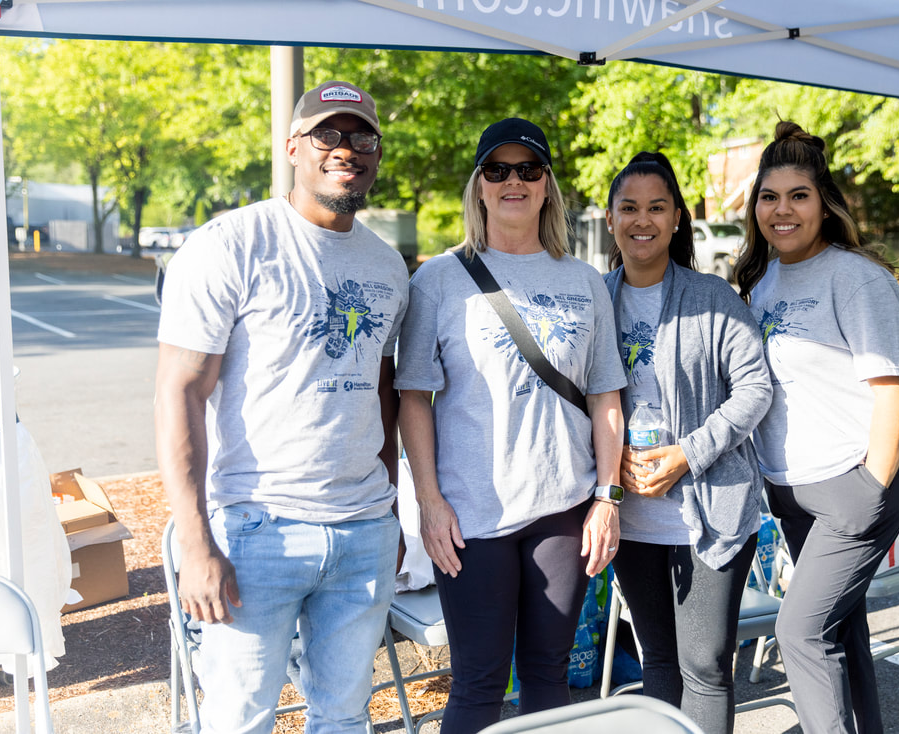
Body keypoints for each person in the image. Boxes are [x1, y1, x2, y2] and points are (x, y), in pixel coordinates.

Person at [154, 80, 409, 734]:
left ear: (378, 153)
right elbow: (180, 393)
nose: (345, 149)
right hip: (255, 531)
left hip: (362, 531)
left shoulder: (388, 267)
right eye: (328, 134)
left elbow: (381, 393)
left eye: (362, 137)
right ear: (294, 146)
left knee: (344, 719)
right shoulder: (230, 246)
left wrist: (389, 510)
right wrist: (196, 542)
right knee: (240, 722)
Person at [395, 118, 627, 734]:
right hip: (471, 516)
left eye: (528, 169)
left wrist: (608, 498)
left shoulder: (584, 281)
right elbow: (413, 397)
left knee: (549, 676)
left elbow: (605, 395)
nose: (513, 181)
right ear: (479, 185)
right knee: (478, 683)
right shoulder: (439, 278)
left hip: (564, 507)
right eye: (497, 170)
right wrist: (429, 502)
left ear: (547, 185)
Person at [734, 121, 899, 734]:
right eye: (769, 197)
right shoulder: (763, 280)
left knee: (801, 632)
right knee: (839, 630)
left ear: (824, 203)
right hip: (793, 488)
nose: (782, 210)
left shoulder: (855, 277)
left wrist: (871, 488)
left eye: (798, 196)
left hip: (854, 481)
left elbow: (895, 389)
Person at [602, 152, 772, 734]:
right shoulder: (595, 298)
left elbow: (755, 388)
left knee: (704, 665)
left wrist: (688, 454)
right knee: (658, 658)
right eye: (629, 208)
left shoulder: (712, 297)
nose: (642, 220)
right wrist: (610, 462)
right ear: (610, 218)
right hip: (631, 516)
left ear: (677, 218)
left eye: (657, 207)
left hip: (709, 508)